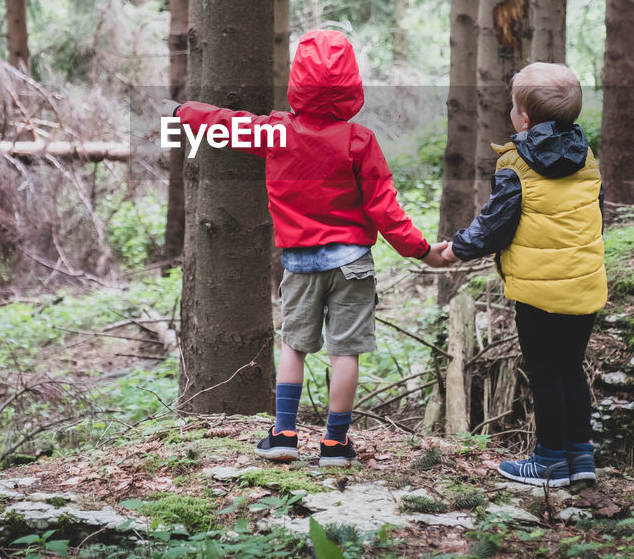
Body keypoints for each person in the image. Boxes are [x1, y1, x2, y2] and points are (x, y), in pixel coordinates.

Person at [165, 29, 448, 466]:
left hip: (299, 264)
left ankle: (283, 435)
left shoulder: (278, 132)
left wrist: (185, 111)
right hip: (352, 262)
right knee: (344, 352)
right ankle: (335, 444)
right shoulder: (359, 141)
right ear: (352, 85)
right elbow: (385, 210)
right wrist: (423, 251)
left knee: (294, 347)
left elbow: (227, 123)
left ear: (297, 81)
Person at [433, 62, 606, 487]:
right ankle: (580, 457)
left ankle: (548, 461)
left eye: (513, 106)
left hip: (538, 292)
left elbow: (495, 224)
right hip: (585, 285)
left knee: (545, 373)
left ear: (523, 119)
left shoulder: (517, 164)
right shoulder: (587, 157)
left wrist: (454, 250)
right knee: (570, 368)